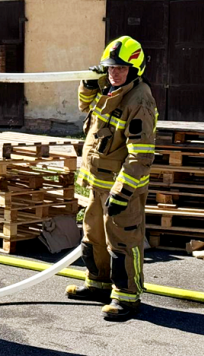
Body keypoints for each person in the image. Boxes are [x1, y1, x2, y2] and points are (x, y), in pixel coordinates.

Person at [66, 36, 157, 321]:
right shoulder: (108, 88)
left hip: (120, 189)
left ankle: (126, 297)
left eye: (121, 68)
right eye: (110, 67)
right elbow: (85, 107)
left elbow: (141, 154)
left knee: (123, 243)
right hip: (97, 184)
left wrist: (123, 190)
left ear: (135, 69)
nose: (114, 72)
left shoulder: (139, 100)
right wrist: (88, 84)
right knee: (93, 237)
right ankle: (98, 285)